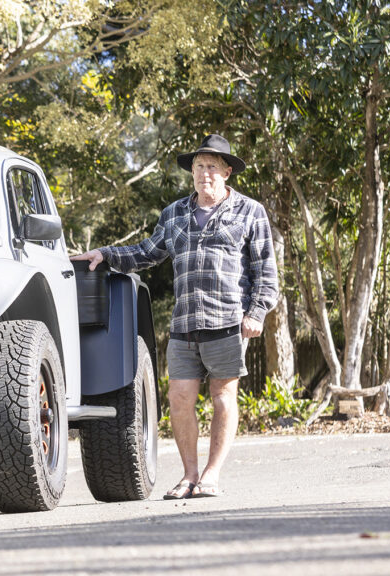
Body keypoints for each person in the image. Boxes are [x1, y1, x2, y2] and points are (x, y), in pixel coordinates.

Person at [71, 134, 278, 499]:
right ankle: (189, 475)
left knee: (223, 396)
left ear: (227, 172)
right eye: (199, 166)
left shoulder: (250, 212)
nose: (204, 173)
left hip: (228, 321)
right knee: (179, 399)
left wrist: (257, 313)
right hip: (184, 324)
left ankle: (212, 474)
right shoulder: (174, 214)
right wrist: (105, 255)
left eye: (212, 166)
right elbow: (146, 253)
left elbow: (267, 273)